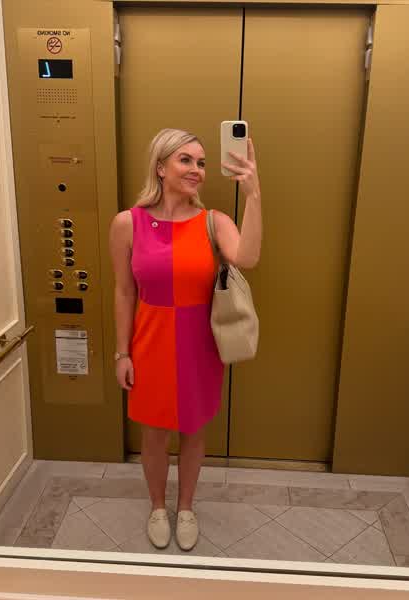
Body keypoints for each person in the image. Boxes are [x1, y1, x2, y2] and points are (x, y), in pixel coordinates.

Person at [109, 128, 262, 551]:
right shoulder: (128, 223)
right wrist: (122, 352)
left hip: (200, 345)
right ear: (160, 167)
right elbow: (124, 292)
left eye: (202, 162)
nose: (197, 169)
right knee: (154, 434)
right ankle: (159, 506)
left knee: (194, 430)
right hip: (150, 342)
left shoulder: (214, 221)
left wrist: (253, 195)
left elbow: (248, 257)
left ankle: (187, 507)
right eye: (186, 160)